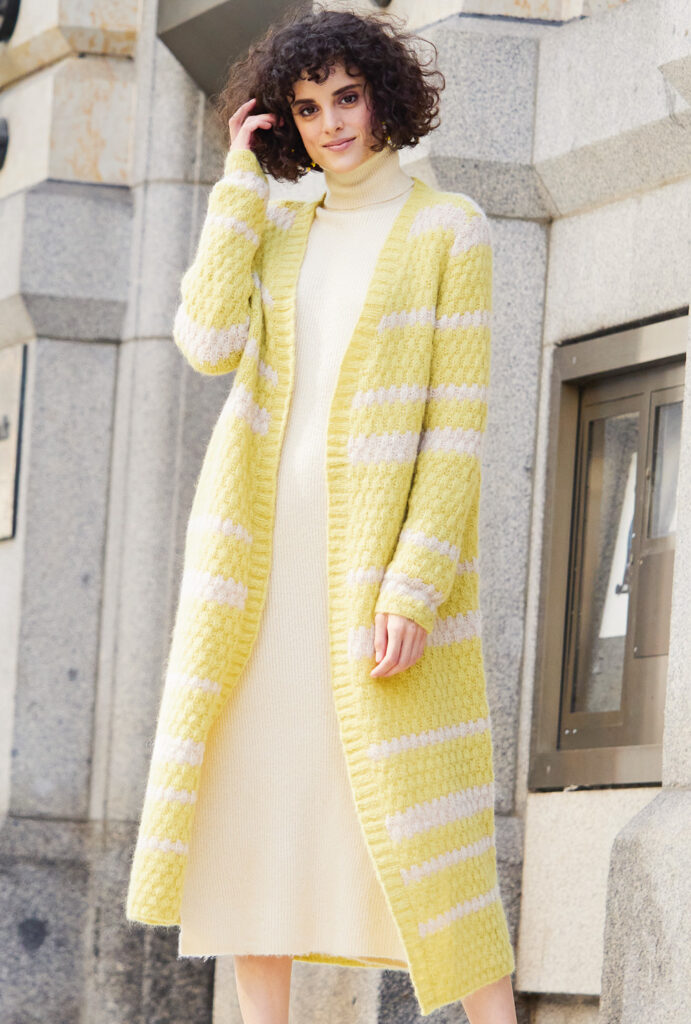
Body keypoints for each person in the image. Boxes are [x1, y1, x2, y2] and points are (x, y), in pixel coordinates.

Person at [125, 5, 518, 1022]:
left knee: (430, 839)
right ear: (283, 122)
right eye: (306, 108)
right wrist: (236, 185)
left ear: (384, 97)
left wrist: (414, 587)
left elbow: (456, 432)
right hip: (259, 574)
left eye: (346, 97)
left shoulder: (449, 229)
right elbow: (206, 342)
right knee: (254, 826)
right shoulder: (278, 231)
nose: (332, 123)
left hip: (369, 572)